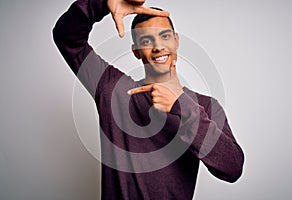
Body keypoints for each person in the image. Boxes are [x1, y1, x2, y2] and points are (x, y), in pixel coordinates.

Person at [53, 0, 244, 199]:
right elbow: (66, 37)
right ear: (136, 51)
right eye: (146, 41)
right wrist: (101, 3)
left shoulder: (205, 106)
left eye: (165, 36)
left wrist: (181, 104)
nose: (158, 47)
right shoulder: (113, 90)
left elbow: (232, 168)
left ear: (176, 41)